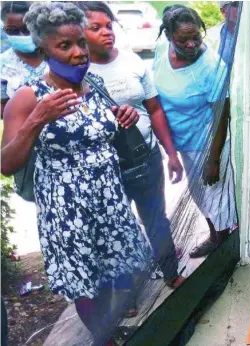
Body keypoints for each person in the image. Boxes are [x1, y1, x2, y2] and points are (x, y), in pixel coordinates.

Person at [0, 3, 151, 344]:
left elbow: (101, 127)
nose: (79, 52)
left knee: (116, 273)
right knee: (86, 283)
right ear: (44, 49)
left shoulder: (93, 83)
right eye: (64, 46)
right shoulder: (27, 96)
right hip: (67, 210)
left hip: (109, 198)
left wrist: (122, 114)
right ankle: (104, 336)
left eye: (80, 43)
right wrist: (38, 119)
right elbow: (6, 163)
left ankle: (109, 327)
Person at [78, 1, 184, 290]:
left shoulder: (133, 62)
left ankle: (171, 273)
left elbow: (156, 110)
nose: (106, 33)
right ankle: (127, 294)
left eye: (109, 26)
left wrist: (171, 154)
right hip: (104, 168)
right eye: (95, 27)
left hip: (146, 157)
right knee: (114, 228)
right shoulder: (75, 74)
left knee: (156, 219)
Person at [154, 5, 237, 258]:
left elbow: (222, 114)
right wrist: (170, 151)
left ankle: (223, 252)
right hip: (182, 142)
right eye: (183, 40)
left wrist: (213, 159)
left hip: (209, 144)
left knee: (218, 201)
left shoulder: (212, 66)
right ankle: (215, 237)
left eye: (196, 38)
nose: (191, 44)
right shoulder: (161, 50)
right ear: (168, 36)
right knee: (200, 197)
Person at [1, 1, 48, 116]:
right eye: (12, 30)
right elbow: (2, 109)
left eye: (27, 29)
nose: (21, 35)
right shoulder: (3, 64)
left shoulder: (57, 54)